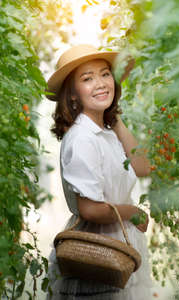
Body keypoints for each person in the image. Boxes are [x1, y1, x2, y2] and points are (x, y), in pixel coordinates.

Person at [45, 44, 153, 299]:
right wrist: (133, 212)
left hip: (118, 243)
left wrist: (113, 118)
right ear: (72, 94)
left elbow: (143, 166)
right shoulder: (83, 137)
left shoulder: (104, 131)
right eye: (87, 78)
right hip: (97, 249)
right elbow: (90, 209)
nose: (101, 83)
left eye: (105, 74)